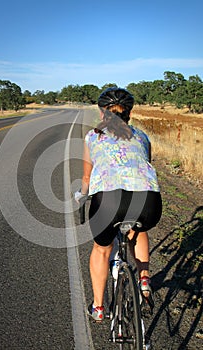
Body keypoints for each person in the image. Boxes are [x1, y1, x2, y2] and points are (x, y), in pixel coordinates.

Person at [75, 87, 162, 322]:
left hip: (108, 199)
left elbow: (86, 178)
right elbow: (144, 167)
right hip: (148, 200)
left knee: (102, 250)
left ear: (103, 114)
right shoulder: (142, 136)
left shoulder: (93, 136)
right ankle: (144, 279)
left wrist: (81, 195)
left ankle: (99, 308)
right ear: (129, 114)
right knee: (139, 229)